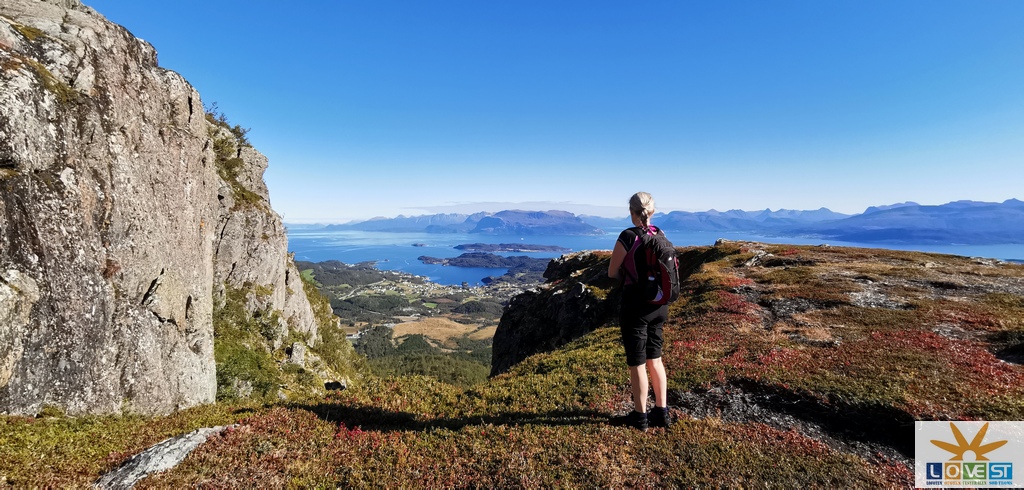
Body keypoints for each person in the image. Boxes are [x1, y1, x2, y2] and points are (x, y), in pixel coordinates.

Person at [607, 191, 671, 431]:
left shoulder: (628, 236)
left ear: (631, 212)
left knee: (637, 363)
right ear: (652, 212)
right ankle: (662, 412)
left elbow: (612, 272)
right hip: (660, 304)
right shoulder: (660, 234)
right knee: (656, 359)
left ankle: (640, 416)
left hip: (636, 306)